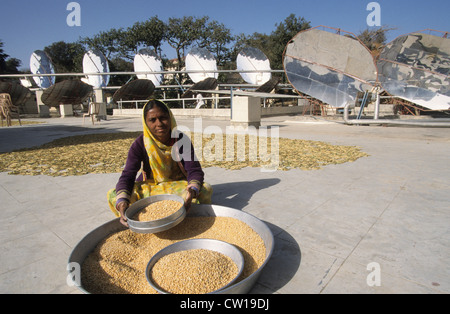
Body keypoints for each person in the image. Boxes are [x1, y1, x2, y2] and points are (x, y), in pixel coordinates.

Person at [107, 99, 213, 227]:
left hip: (177, 185)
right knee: (114, 195)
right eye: (152, 120)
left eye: (163, 118)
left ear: (170, 118)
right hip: (152, 186)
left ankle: (184, 205)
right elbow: (128, 175)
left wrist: (192, 190)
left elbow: (194, 170)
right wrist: (123, 201)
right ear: (146, 123)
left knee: (205, 189)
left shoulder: (180, 139)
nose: (159, 124)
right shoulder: (140, 144)